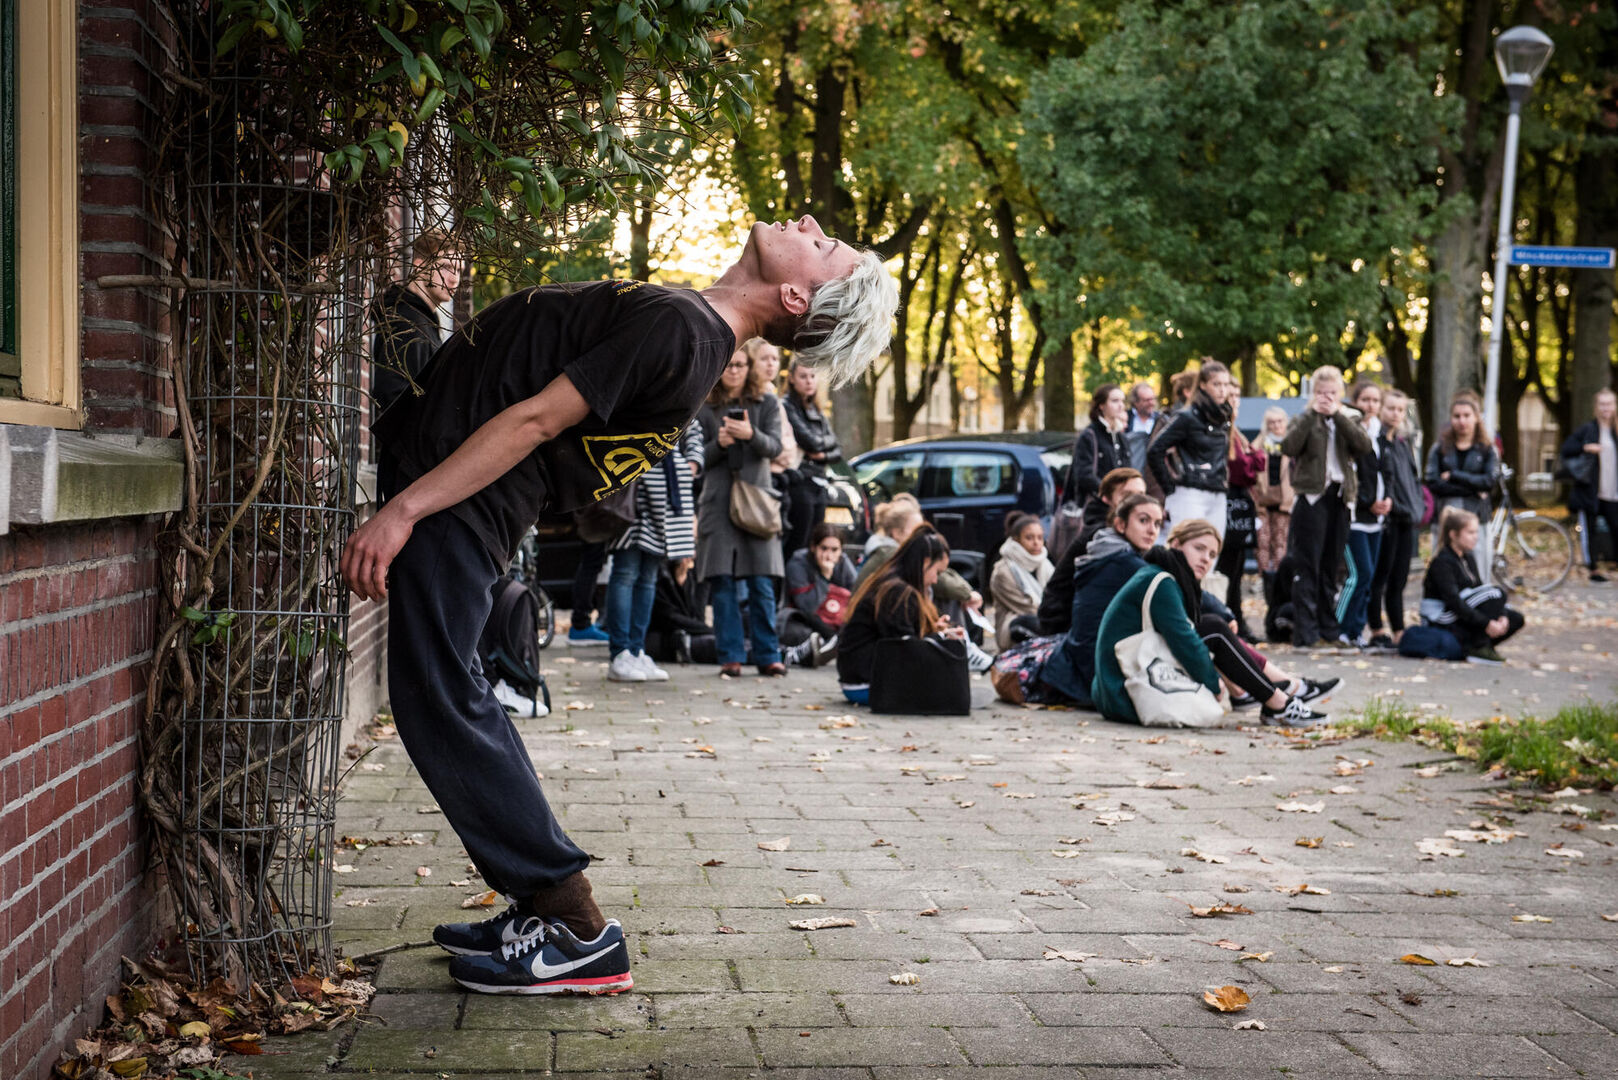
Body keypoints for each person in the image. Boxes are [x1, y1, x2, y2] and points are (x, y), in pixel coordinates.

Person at [344, 214, 896, 996]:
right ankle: (541, 907)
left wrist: (403, 511)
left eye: (823, 243)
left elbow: (536, 421)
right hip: (462, 492)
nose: (808, 223)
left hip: (458, 502)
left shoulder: (683, 331)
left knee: (437, 690)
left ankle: (573, 923)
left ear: (799, 293)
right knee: (448, 685)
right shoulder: (692, 331)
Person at [697, 349, 789, 677]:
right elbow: (695, 461)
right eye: (728, 365)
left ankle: (768, 655)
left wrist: (751, 435)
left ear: (749, 368)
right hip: (718, 504)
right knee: (722, 583)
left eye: (739, 365)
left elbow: (777, 449)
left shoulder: (765, 403)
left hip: (756, 504)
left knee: (761, 582)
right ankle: (731, 657)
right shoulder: (704, 406)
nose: (733, 371)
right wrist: (719, 445)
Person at [1039, 494, 1163, 707]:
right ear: (1120, 524)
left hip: (1077, 662)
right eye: (1143, 521)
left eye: (1158, 523)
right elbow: (1170, 591)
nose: (1152, 530)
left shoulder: (1106, 551)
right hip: (1096, 671)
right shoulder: (1125, 563)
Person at [1280, 365, 1373, 649]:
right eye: (1321, 392)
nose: (1326, 397)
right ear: (1313, 393)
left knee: (1332, 566)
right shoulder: (1304, 418)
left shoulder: (1350, 417)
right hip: (1311, 497)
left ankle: (1328, 630)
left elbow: (1363, 446)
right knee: (1308, 564)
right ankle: (1305, 633)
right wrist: (1313, 414)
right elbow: (1288, 447)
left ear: (1340, 393)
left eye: (1332, 392)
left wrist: (1338, 416)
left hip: (1340, 496)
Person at [605, 422, 703, 682]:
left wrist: (691, 464)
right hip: (632, 485)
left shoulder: (685, 386)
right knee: (626, 571)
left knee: (648, 577)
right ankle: (620, 653)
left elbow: (693, 427)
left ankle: (637, 650)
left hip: (667, 496)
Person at [836, 527, 967, 704]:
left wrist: (934, 631)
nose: (936, 580)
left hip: (862, 676)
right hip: (866, 682)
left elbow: (900, 636)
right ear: (925, 562)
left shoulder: (893, 583)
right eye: (937, 572)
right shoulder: (897, 592)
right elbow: (904, 648)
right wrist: (940, 637)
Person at [1037, 468, 1146, 635]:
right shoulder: (1102, 536)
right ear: (1106, 499)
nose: (1136, 501)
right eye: (1126, 495)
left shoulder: (1131, 530)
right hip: (1064, 625)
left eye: (1140, 495)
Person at [370, 229, 459, 418]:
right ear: (419, 267)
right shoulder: (408, 322)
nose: (454, 279)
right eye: (445, 267)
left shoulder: (422, 321)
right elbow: (392, 394)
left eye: (459, 270)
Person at [1419, 508, 1524, 664]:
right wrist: (1486, 623)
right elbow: (1453, 601)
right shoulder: (1442, 562)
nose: (1475, 537)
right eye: (1470, 533)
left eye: (1476, 532)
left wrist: (1501, 616)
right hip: (1441, 617)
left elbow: (1480, 589)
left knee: (1514, 618)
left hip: (1461, 611)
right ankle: (1479, 646)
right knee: (1497, 593)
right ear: (1453, 535)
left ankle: (1478, 645)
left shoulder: (1468, 557)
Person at [1148, 360, 1235, 539]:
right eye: (1216, 384)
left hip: (1218, 491)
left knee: (1211, 552)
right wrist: (1170, 487)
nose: (1222, 390)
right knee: (1187, 549)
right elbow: (1155, 450)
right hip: (1189, 491)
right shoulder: (1186, 417)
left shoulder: (1224, 417)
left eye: (1226, 385)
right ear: (1203, 385)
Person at [1336, 381, 1392, 648]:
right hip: (1356, 517)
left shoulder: (1383, 436)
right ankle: (1340, 628)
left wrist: (1388, 499)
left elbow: (1386, 473)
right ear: (1355, 402)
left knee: (1370, 578)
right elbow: (1354, 474)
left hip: (1377, 519)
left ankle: (1357, 630)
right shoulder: (1352, 432)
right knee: (1359, 574)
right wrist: (1368, 502)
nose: (1370, 406)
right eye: (1365, 400)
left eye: (1375, 401)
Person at [1367, 389, 1422, 649]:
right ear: (1381, 409)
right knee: (1380, 577)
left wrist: (1417, 510)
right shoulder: (1377, 442)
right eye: (1391, 408)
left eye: (1400, 409)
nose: (1395, 414)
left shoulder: (1402, 443)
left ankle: (1399, 630)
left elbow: (1411, 481)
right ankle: (1377, 629)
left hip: (1407, 521)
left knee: (1399, 579)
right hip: (1387, 520)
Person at [1216, 390, 1267, 642]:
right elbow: (1243, 468)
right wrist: (1253, 457)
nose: (1235, 402)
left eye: (1237, 396)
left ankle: (1237, 620)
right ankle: (1230, 622)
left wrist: (1253, 457)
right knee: (1227, 570)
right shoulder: (1226, 433)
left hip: (1240, 506)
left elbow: (1258, 462)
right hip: (1229, 505)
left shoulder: (1236, 432)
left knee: (1236, 571)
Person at [748, 338, 804, 554]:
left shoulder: (772, 395)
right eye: (764, 359)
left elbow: (789, 445)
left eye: (774, 358)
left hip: (781, 478)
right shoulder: (755, 400)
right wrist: (781, 450)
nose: (771, 364)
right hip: (764, 480)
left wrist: (783, 449)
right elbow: (777, 446)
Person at [783, 358, 842, 553]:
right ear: (791, 379)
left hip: (819, 483)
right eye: (803, 376)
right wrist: (823, 446)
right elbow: (812, 441)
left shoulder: (816, 409)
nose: (809, 381)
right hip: (799, 484)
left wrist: (821, 455)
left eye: (812, 376)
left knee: (814, 545)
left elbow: (837, 449)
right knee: (799, 543)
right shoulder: (786, 406)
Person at [1561, 387, 1618, 582]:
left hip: (1613, 492)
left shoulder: (1616, 431)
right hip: (1590, 492)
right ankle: (1592, 569)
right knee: (1590, 532)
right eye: (1602, 404)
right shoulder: (1588, 430)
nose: (1605, 408)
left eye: (1609, 404)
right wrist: (1586, 447)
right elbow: (1566, 449)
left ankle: (1613, 562)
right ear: (1596, 407)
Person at [779, 522, 856, 665]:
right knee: (800, 634)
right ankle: (820, 648)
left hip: (834, 621)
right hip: (801, 620)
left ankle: (827, 646)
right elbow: (807, 606)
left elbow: (857, 594)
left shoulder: (843, 562)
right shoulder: (798, 562)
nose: (829, 555)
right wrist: (825, 577)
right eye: (824, 548)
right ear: (813, 547)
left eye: (834, 550)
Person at [1425, 390, 1498, 536]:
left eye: (1467, 415)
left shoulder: (1487, 450)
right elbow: (1433, 483)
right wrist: (1473, 490)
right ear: (1451, 419)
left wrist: (1454, 475)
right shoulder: (1439, 449)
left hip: (1478, 519)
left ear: (1476, 417)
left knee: (1477, 559)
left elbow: (1489, 482)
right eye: (1457, 416)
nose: (1462, 421)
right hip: (1446, 518)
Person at [1066, 383, 1132, 539]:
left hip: (1120, 509)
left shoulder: (1121, 437)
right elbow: (1084, 475)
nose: (1121, 405)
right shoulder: (1089, 435)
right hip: (1095, 511)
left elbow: (1128, 473)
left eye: (1122, 401)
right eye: (1115, 401)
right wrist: (1110, 494)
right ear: (1101, 405)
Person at [990, 512, 1055, 649]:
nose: (1036, 543)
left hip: (1044, 619)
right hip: (1015, 629)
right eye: (1029, 538)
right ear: (1016, 540)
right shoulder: (1003, 571)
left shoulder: (1045, 564)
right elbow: (1027, 607)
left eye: (1040, 537)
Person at [1251, 406, 1294, 599]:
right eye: (1272, 422)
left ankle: (1279, 579)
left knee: (1281, 542)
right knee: (1262, 541)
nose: (1276, 426)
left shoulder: (1292, 444)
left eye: (1279, 421)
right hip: (1263, 500)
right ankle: (1263, 577)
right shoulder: (1259, 445)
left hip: (1285, 500)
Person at [646, 557, 717, 665]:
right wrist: (709, 630)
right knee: (722, 645)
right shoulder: (661, 576)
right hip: (662, 639)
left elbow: (698, 616)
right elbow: (671, 618)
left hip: (689, 634)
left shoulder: (693, 576)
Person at [1142, 369, 1198, 504]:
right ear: (1187, 392)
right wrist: (1163, 498)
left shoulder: (1198, 420)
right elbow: (1153, 460)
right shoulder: (1169, 421)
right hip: (1176, 497)